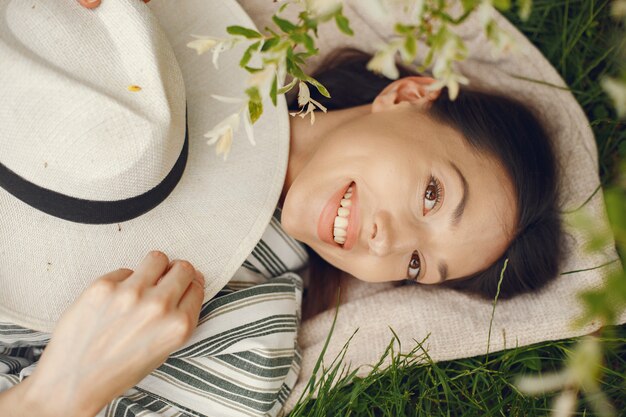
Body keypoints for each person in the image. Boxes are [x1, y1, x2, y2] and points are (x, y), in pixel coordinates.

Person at [0, 0, 562, 416]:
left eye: (416, 265)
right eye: (431, 196)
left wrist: (59, 396)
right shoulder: (166, 38)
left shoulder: (247, 348)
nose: (387, 244)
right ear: (410, 96)